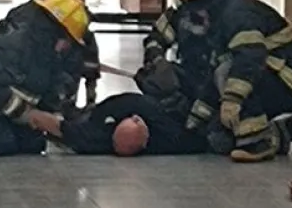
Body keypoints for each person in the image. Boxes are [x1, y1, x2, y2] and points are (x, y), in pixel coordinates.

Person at [137, 0, 292, 158]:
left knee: (227, 71)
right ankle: (286, 130)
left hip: (285, 82)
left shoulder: (237, 13)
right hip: (239, 78)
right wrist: (157, 62)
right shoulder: (195, 11)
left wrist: (232, 100)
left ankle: (258, 141)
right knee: (217, 140)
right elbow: (157, 37)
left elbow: (248, 60)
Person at [0, 0, 90, 156]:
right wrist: (28, 114)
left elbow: (46, 89)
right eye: (68, 41)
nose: (67, 48)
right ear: (58, 31)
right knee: (1, 142)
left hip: (12, 115)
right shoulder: (17, 45)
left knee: (32, 144)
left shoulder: (45, 51)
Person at [0, 0, 104, 115]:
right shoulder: (42, 24)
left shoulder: (29, 13)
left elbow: (89, 58)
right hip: (24, 112)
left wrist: (90, 103)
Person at [34, 61, 209, 156]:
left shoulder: (95, 138)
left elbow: (56, 126)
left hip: (105, 112)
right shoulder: (173, 141)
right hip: (168, 109)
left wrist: (30, 115)